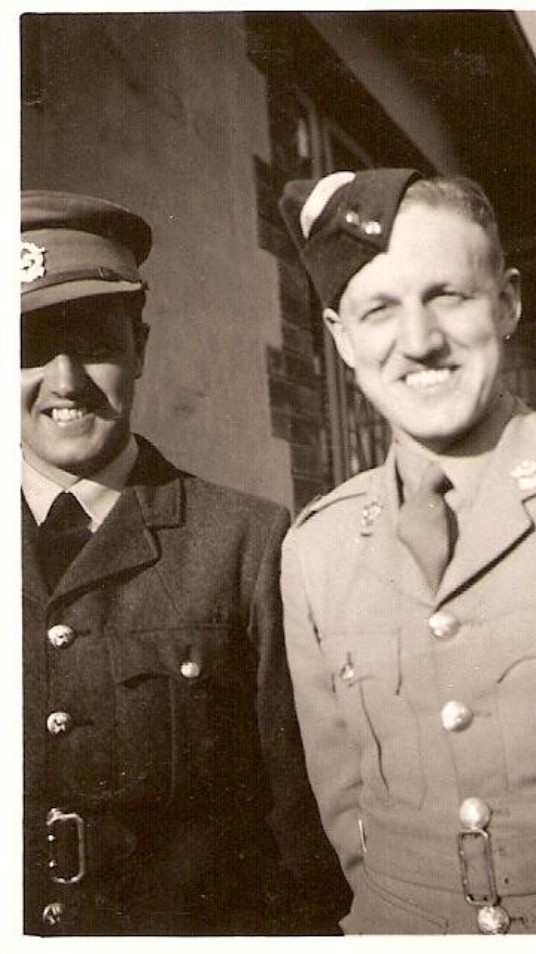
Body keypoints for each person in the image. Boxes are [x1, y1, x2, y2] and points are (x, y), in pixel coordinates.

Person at [277, 169, 536, 934]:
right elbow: (349, 819)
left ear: (509, 302)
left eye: (447, 296)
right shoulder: (316, 551)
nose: (419, 341)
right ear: (341, 339)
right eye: (379, 310)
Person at [20, 190, 349, 935]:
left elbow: (297, 827)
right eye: (31, 349)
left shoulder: (245, 542)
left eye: (95, 342)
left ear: (140, 348)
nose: (65, 381)